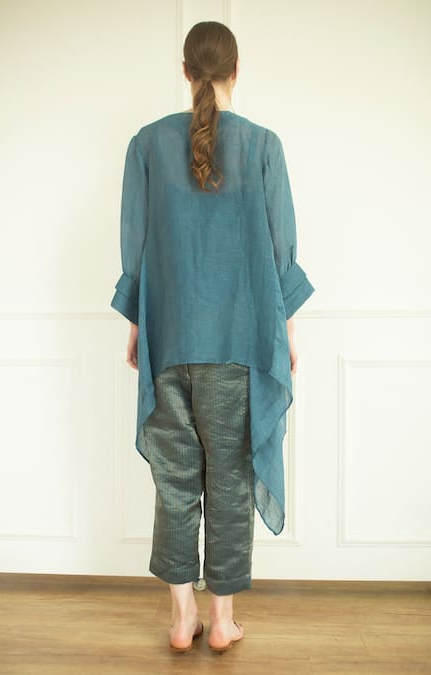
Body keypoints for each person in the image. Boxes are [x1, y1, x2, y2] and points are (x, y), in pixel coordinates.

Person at [110, 21, 315, 653]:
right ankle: (221, 622)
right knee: (229, 480)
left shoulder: (146, 144)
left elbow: (136, 246)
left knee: (175, 482)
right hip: (240, 343)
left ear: (184, 70)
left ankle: (182, 620)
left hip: (169, 340)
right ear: (236, 70)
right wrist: (284, 332)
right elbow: (280, 251)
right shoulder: (263, 146)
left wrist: (139, 324)